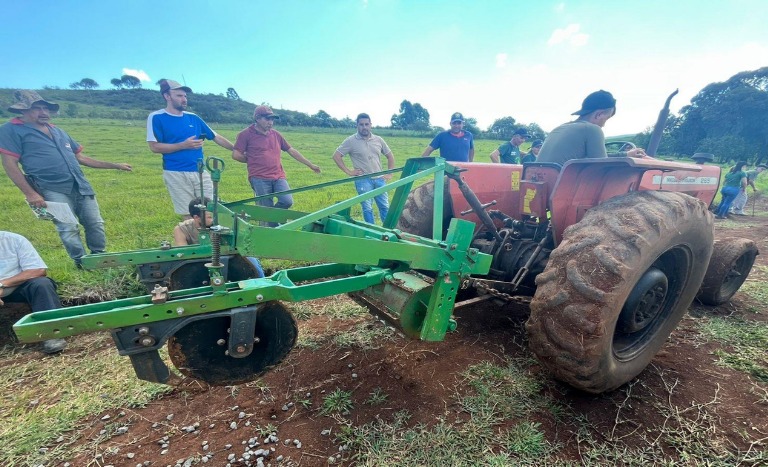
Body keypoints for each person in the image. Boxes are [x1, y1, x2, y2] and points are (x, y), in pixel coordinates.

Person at [0, 90, 132, 267]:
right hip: (50, 187)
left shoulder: (58, 131)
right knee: (68, 228)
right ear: (23, 111)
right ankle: (81, 263)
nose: (43, 112)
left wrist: (115, 165)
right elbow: (10, 164)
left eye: (46, 108)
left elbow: (81, 158)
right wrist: (31, 194)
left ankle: (99, 259)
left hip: (80, 185)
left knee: (95, 223)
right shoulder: (11, 130)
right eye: (37, 108)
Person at [146, 79, 234, 219]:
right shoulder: (157, 117)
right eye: (179, 96)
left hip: (199, 171)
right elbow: (154, 147)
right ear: (167, 96)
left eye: (185, 96)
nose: (184, 99)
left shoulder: (193, 118)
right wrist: (182, 145)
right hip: (175, 172)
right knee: (188, 214)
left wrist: (237, 150)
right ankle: (193, 239)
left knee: (210, 210)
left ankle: (211, 240)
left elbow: (216, 137)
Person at [232, 105, 321, 226]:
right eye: (267, 119)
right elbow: (236, 154)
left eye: (272, 119)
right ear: (257, 118)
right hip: (259, 177)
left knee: (286, 201)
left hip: (278, 176)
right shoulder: (245, 134)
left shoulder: (276, 135)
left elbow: (291, 150)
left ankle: (272, 224)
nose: (270, 122)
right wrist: (252, 160)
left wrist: (310, 165)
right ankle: (270, 232)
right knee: (266, 208)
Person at [537, 90, 647, 166]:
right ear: (599, 114)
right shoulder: (592, 129)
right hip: (565, 188)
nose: (604, 125)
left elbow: (598, 158)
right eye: (606, 118)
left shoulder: (559, 128)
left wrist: (625, 155)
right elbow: (600, 165)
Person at [0, 231, 67, 354]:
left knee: (41, 284)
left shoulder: (14, 240)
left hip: (17, 288)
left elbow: (37, 270)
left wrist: (2, 284)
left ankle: (52, 333)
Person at [172, 197, 265, 277]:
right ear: (196, 217)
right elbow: (183, 254)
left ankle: (262, 282)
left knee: (252, 261)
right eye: (210, 217)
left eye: (214, 215)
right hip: (196, 264)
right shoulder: (181, 229)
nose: (214, 219)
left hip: (225, 258)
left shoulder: (222, 223)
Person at [333, 113, 396, 224]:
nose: (364, 127)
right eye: (361, 124)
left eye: (367, 124)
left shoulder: (378, 140)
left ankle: (388, 231)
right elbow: (336, 156)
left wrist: (390, 174)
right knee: (367, 208)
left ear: (371, 125)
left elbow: (390, 156)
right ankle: (371, 231)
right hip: (363, 180)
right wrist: (349, 172)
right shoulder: (351, 141)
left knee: (385, 207)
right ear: (357, 125)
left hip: (379, 178)